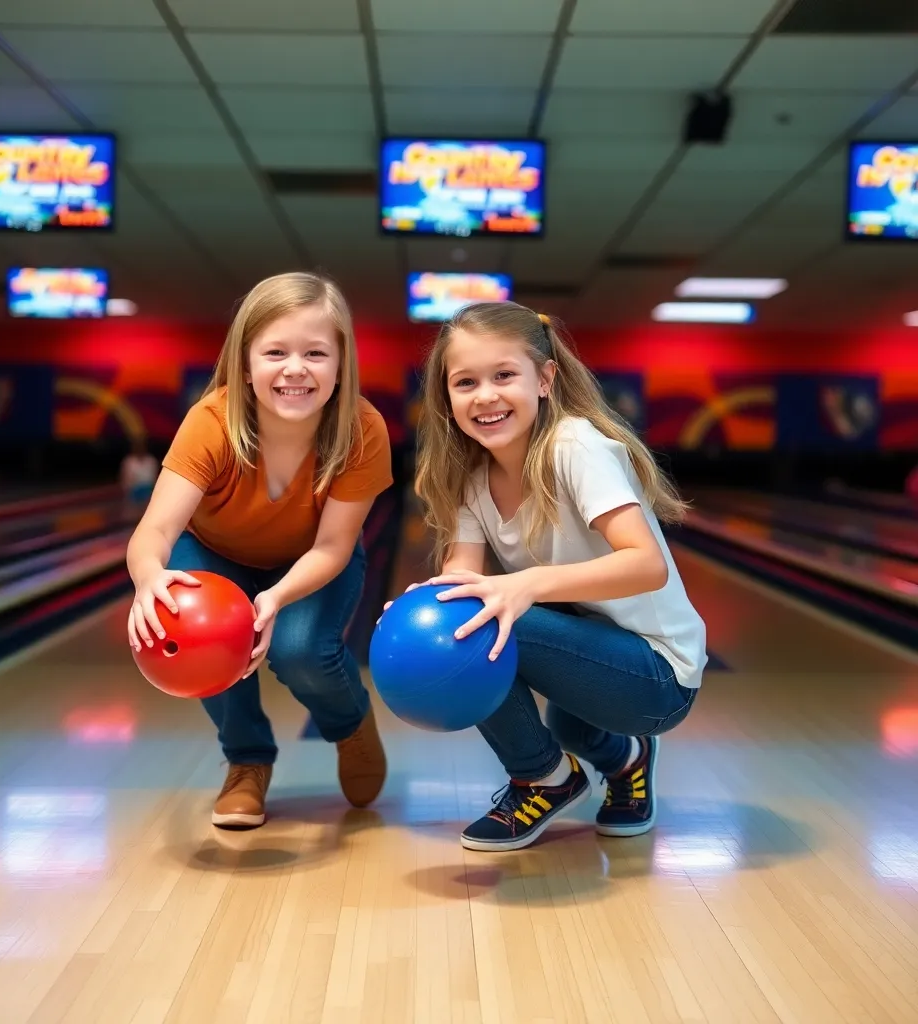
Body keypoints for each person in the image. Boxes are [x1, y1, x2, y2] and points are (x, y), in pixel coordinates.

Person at [407, 301, 707, 851]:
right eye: (466, 382)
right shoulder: (473, 479)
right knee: (461, 622)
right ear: (446, 398)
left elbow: (646, 563)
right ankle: (628, 759)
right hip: (594, 664)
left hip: (659, 676)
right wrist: (425, 608)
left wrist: (524, 586)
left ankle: (542, 777)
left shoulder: (575, 447)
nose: (486, 395)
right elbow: (461, 576)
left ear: (544, 379)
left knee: (478, 624)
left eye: (504, 376)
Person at [126, 272, 393, 829]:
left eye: (316, 353)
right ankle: (246, 762)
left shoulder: (362, 430)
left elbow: (333, 544)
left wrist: (274, 597)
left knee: (299, 650)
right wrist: (149, 577)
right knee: (196, 635)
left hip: (311, 561)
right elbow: (154, 532)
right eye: (276, 352)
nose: (295, 368)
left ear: (341, 365)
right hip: (213, 551)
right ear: (245, 365)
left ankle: (350, 725)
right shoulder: (211, 422)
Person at [119, 436, 159, 506]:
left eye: (141, 446)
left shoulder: (151, 460)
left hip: (149, 491)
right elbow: (124, 480)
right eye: (137, 446)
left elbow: (155, 478)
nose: (139, 449)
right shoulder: (128, 462)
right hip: (133, 493)